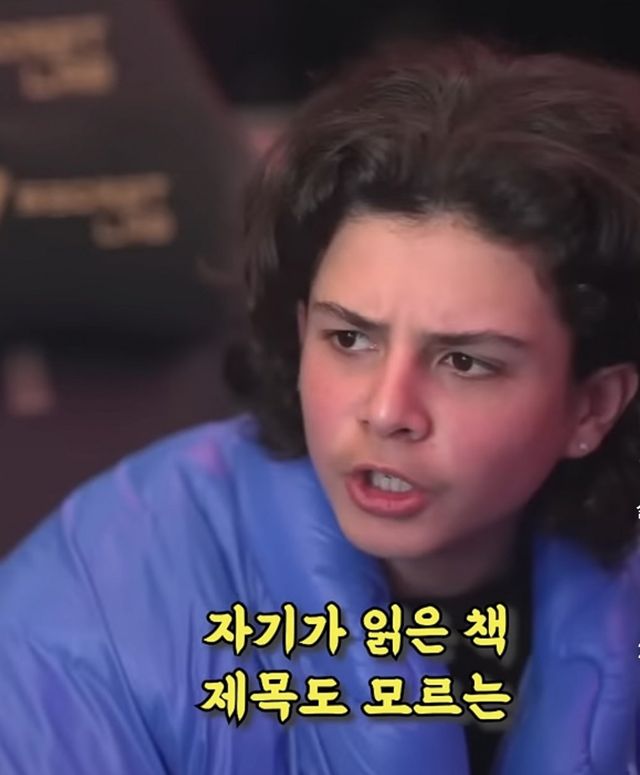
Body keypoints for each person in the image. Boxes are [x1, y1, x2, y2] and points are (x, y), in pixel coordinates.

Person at [1, 40, 639, 775]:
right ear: (301, 332)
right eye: (350, 339)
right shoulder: (94, 611)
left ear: (592, 407)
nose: (387, 411)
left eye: (464, 361)